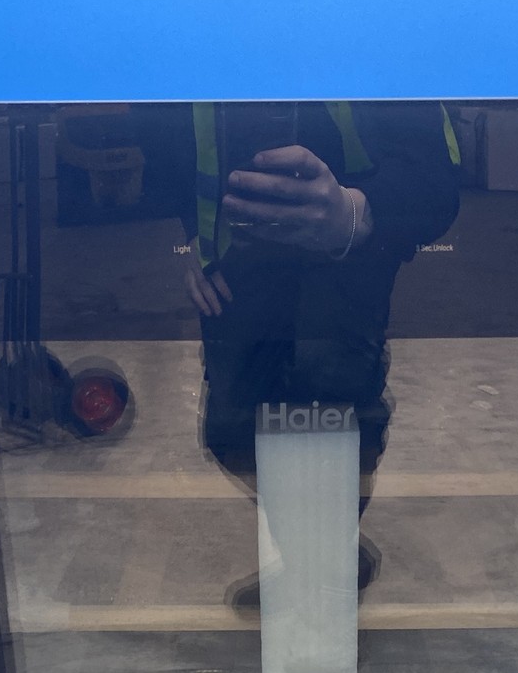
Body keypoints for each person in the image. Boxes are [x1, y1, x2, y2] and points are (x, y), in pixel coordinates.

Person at [178, 101, 460, 605]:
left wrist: (357, 214)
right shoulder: (200, 50)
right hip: (235, 266)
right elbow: (177, 144)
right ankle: (321, 556)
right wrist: (191, 240)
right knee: (231, 430)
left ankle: (320, 582)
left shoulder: (381, 46)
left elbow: (436, 179)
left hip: (341, 269)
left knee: (331, 432)